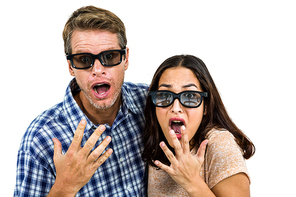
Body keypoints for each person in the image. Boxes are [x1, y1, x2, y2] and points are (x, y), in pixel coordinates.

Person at [14, 6, 148, 196]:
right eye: (84, 59)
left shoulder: (151, 103)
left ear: (126, 59)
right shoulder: (41, 139)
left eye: (109, 56)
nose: (98, 69)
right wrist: (64, 188)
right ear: (70, 66)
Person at [142, 55, 255, 196]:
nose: (176, 107)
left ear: (206, 106)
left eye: (189, 96)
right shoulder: (155, 143)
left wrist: (192, 181)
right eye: (165, 95)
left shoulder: (220, 145)